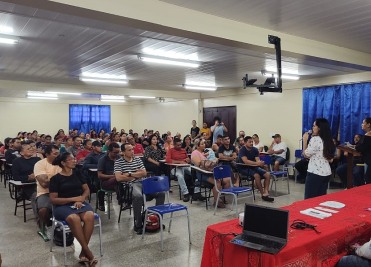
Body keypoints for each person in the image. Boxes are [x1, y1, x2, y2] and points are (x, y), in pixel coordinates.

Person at [49, 152, 97, 266]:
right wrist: (73, 198)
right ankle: (88, 252)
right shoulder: (55, 179)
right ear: (63, 163)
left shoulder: (78, 173)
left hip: (79, 203)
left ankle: (82, 253)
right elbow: (53, 199)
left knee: (89, 215)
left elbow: (86, 190)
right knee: (74, 218)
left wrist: (81, 199)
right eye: (71, 159)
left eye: (74, 158)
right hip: (62, 206)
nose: (75, 160)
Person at [114, 143, 165, 234]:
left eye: (132, 149)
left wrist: (129, 174)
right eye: (129, 150)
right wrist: (136, 174)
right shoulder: (118, 162)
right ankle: (138, 224)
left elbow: (144, 173)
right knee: (138, 196)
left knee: (161, 193)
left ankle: (158, 219)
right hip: (129, 186)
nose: (132, 151)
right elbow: (118, 178)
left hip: (142, 182)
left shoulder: (137, 159)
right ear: (123, 152)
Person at [191, 138, 230, 208]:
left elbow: (208, 163)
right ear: (197, 146)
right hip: (202, 173)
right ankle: (217, 201)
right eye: (202, 144)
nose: (204, 145)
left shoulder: (204, 153)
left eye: (204, 143)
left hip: (210, 171)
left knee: (226, 180)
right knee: (217, 182)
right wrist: (211, 162)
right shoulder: (194, 153)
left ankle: (222, 197)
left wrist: (213, 161)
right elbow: (199, 165)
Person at [303, 118, 335, 199]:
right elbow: (330, 159)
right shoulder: (329, 140)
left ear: (319, 128)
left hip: (315, 172)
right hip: (326, 173)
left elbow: (306, 154)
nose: (312, 128)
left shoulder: (315, 139)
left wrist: (305, 141)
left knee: (309, 199)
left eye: (314, 126)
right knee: (320, 199)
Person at [166, 137, 204, 202]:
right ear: (174, 145)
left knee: (196, 172)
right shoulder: (171, 151)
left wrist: (188, 160)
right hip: (176, 168)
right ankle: (185, 193)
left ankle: (196, 192)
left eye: (180, 145)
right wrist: (179, 162)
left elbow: (187, 159)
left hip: (185, 166)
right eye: (177, 145)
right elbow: (168, 160)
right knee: (180, 176)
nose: (179, 146)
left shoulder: (183, 150)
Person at [237, 136, 274, 202]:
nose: (251, 143)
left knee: (267, 174)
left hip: (254, 166)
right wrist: (257, 164)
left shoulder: (255, 149)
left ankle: (266, 192)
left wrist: (260, 163)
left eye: (252, 142)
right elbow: (246, 161)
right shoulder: (242, 150)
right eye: (249, 142)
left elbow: (257, 160)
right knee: (257, 175)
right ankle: (262, 194)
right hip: (244, 167)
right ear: (245, 143)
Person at [33, 145, 61, 230]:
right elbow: (44, 184)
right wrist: (61, 181)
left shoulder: (62, 163)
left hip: (61, 192)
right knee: (43, 210)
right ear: (47, 154)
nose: (58, 156)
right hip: (45, 192)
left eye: (59, 154)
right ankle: (44, 226)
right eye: (55, 154)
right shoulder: (40, 164)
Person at [97, 143, 120, 211]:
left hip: (117, 181)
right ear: (109, 151)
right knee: (117, 179)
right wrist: (113, 176)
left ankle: (123, 198)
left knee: (122, 180)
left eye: (118, 152)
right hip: (105, 182)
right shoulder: (102, 160)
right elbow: (100, 175)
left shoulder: (119, 158)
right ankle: (121, 199)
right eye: (115, 152)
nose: (117, 154)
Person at [356, 117, 371, 183]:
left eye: (363, 123)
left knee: (368, 180)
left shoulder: (368, 135)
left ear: (368, 125)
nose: (362, 124)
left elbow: (359, 147)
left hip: (369, 160)